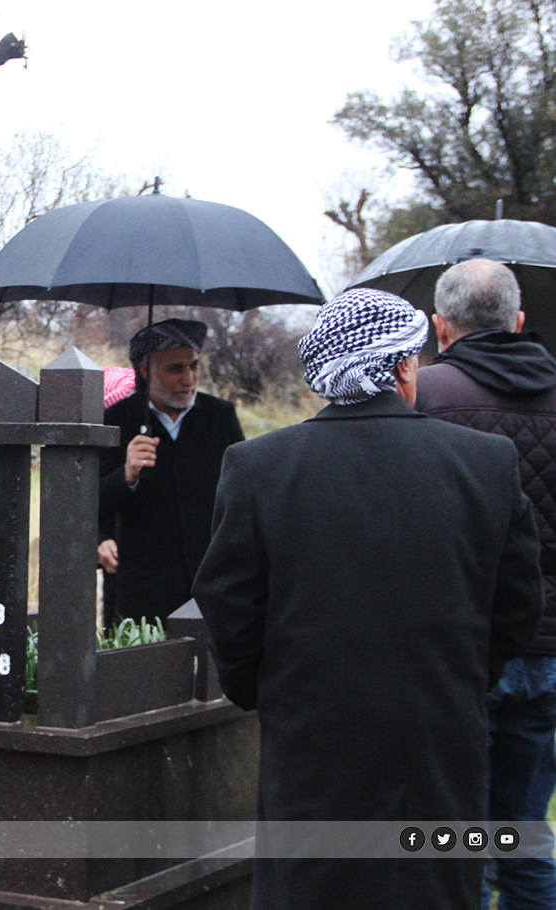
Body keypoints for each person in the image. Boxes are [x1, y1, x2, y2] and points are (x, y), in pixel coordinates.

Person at [192, 288, 543, 910]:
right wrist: (460, 679)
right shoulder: (484, 462)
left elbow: (226, 602)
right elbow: (517, 607)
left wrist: (269, 691)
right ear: (404, 366)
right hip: (440, 735)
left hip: (310, 739)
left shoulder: (260, 467)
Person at [415, 258, 556, 910]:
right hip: (548, 647)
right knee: (525, 831)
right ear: (519, 322)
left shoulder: (425, 396)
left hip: (458, 648)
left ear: (441, 327)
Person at [96, 318, 243, 628]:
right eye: (176, 369)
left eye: (194, 366)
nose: (189, 378)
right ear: (146, 370)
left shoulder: (220, 417)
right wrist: (127, 474)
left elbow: (242, 495)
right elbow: (88, 501)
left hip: (211, 585)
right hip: (140, 591)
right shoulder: (116, 420)